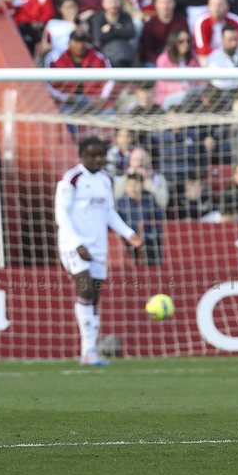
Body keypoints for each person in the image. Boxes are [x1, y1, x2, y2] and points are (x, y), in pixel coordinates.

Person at [57, 137, 144, 363]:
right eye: (93, 155)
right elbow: (62, 214)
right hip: (73, 243)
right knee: (85, 289)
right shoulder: (72, 179)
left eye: (101, 155)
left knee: (94, 296)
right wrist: (77, 244)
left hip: (97, 246)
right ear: (82, 155)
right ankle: (88, 350)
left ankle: (90, 352)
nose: (98, 159)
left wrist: (128, 234)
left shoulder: (106, 179)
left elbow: (109, 213)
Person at [115, 172, 165, 264]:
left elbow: (160, 222)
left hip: (148, 243)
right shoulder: (120, 203)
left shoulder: (150, 201)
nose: (133, 188)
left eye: (136, 185)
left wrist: (147, 236)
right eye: (130, 185)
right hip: (127, 243)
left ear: (142, 186)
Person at [89, 0, 136, 67]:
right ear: (103, 3)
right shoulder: (98, 18)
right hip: (107, 57)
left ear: (120, 2)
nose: (113, 5)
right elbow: (98, 38)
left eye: (116, 1)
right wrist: (119, 29)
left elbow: (131, 33)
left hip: (126, 54)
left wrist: (110, 29)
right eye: (110, 2)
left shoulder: (125, 16)